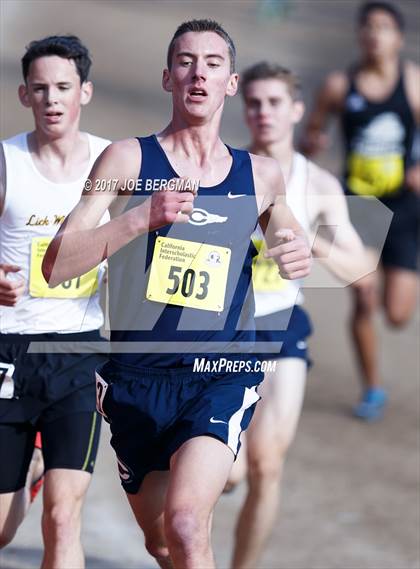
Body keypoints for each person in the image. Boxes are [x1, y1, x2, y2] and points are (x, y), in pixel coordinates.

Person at [43, 20, 311, 569]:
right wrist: (141, 217)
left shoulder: (260, 173)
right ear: (168, 77)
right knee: (162, 539)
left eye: (213, 63)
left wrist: (295, 248)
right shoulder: (127, 162)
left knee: (189, 524)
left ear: (230, 82)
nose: (199, 73)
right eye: (186, 61)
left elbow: (288, 231)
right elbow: (56, 262)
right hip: (137, 380)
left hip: (221, 371)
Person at [224, 61, 372, 569]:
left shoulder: (320, 185)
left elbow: (360, 268)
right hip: (225, 334)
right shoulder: (224, 170)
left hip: (284, 327)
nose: (263, 112)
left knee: (267, 464)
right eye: (254, 102)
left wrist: (312, 243)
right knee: (230, 473)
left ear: (297, 110)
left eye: (274, 102)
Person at [0, 35, 110, 568]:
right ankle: (29, 469)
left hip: (77, 352)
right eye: (40, 88)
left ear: (84, 91)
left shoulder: (114, 163)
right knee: (0, 531)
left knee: (64, 517)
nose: (52, 99)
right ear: (24, 95)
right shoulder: (6, 161)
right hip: (7, 351)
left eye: (63, 87)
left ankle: (46, 468)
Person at [300, 1, 419, 420]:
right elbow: (310, 132)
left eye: (384, 27)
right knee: (364, 296)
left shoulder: (413, 83)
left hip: (404, 207)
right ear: (359, 35)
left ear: (398, 38)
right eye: (368, 26)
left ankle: (393, 274)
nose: (374, 34)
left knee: (399, 314)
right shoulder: (338, 85)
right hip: (358, 206)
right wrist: (312, 144)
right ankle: (372, 388)